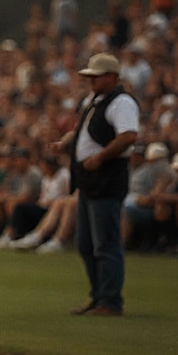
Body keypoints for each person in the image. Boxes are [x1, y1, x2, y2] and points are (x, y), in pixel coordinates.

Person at [52, 53, 139, 317]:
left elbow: (128, 136)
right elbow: (81, 129)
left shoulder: (121, 102)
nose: (91, 81)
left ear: (112, 77)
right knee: (86, 243)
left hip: (107, 179)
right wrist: (66, 142)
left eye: (96, 76)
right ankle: (98, 295)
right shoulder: (94, 100)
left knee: (105, 244)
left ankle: (110, 301)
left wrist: (100, 156)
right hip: (90, 182)